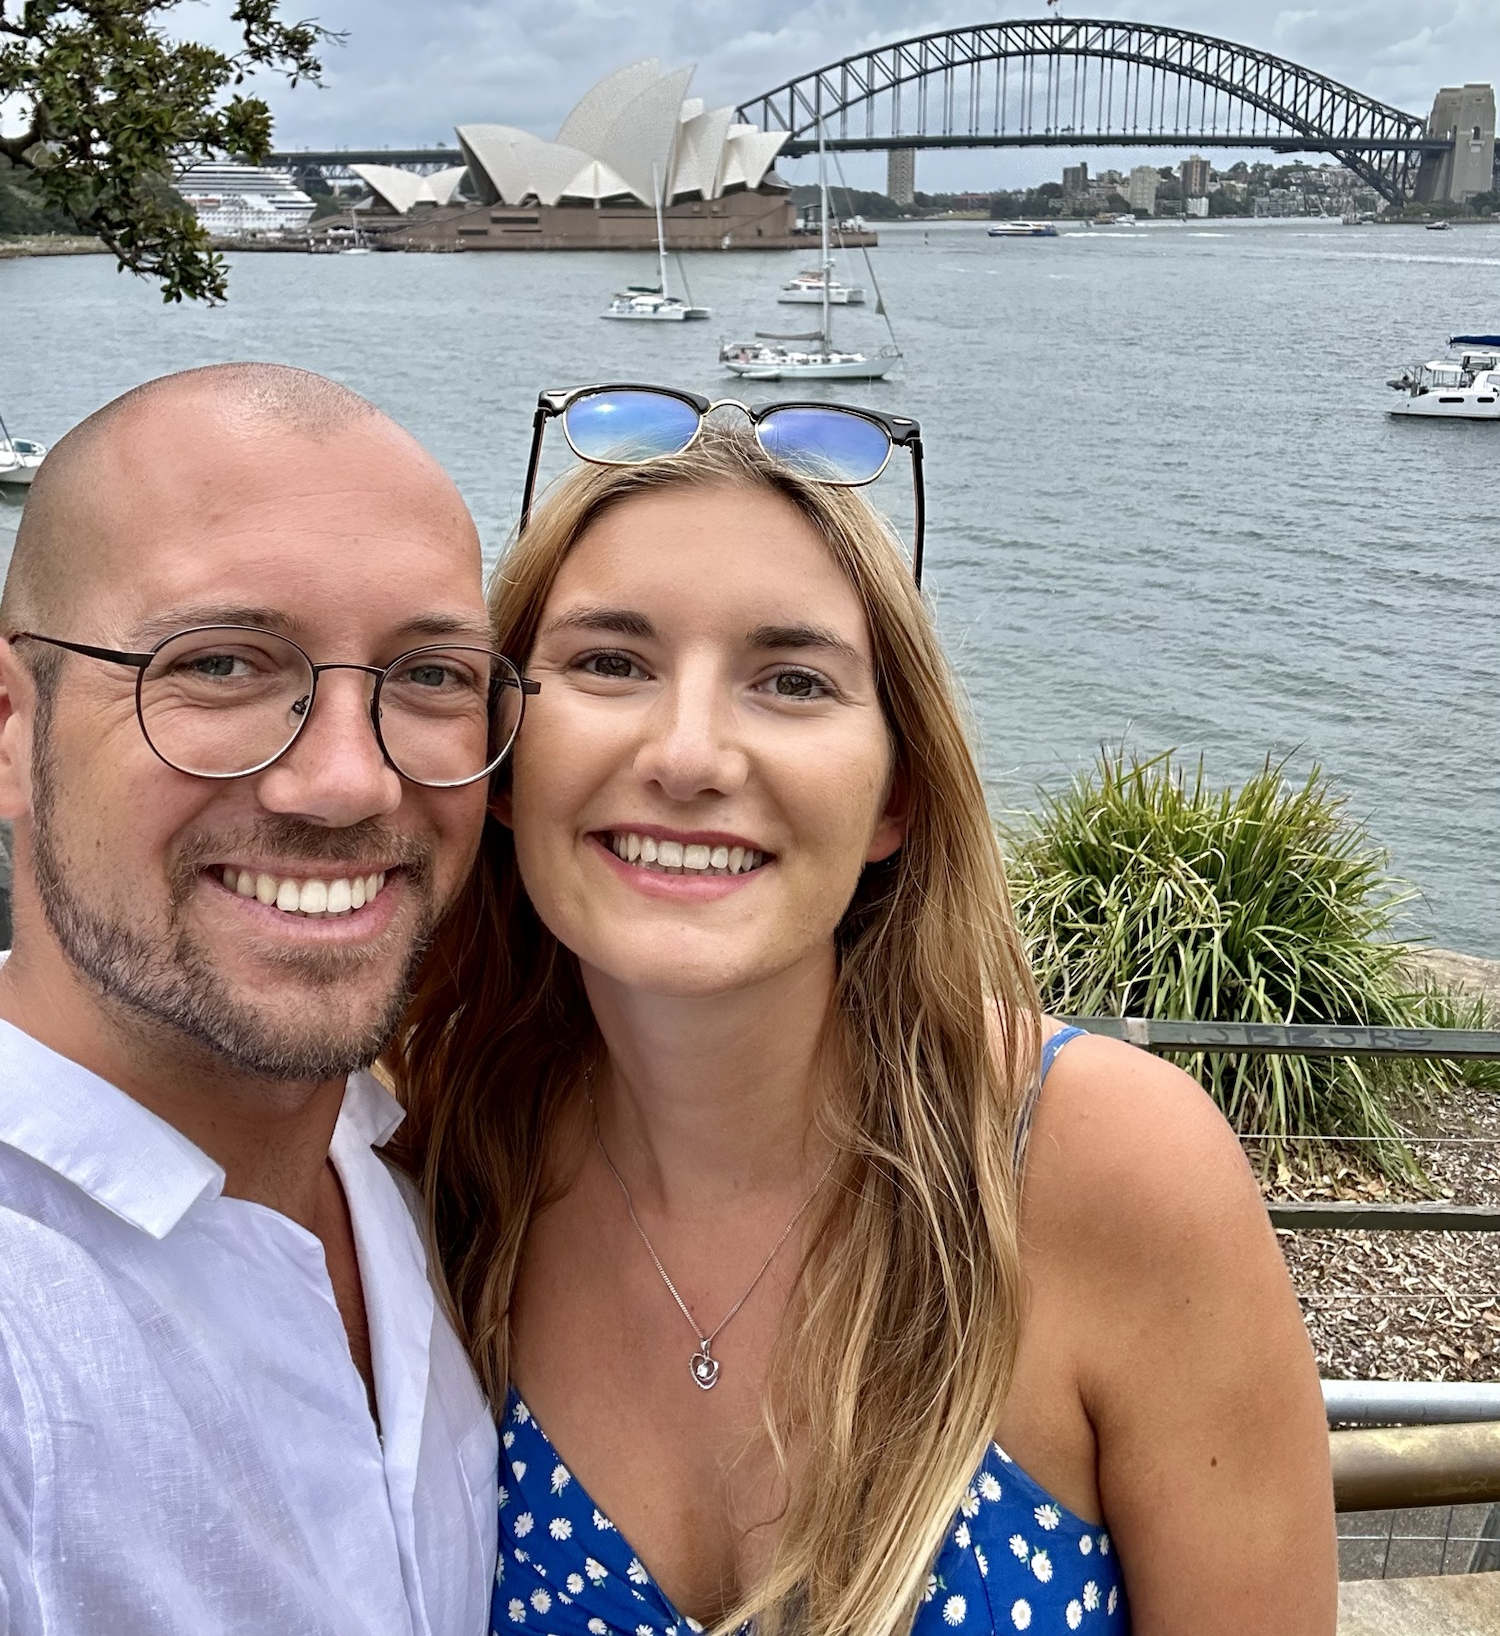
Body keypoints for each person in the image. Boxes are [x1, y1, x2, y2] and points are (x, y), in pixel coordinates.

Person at [394, 399, 1339, 1636]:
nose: (689, 755)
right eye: (611, 662)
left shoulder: (1098, 1162)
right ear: (507, 754)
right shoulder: (438, 1154)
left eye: (792, 680)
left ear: (896, 796)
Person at [0, 363, 520, 1636]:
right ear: (10, 729)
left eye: (433, 675)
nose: (346, 781)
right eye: (222, 662)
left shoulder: (434, 1165)